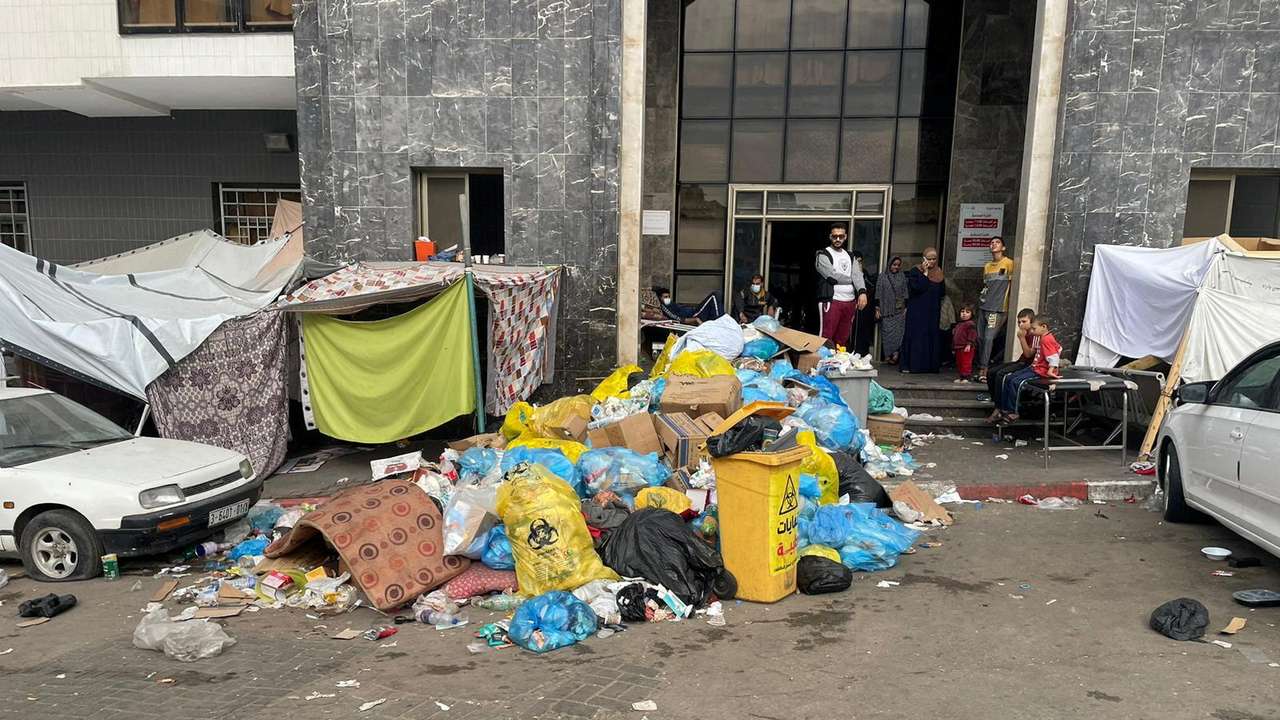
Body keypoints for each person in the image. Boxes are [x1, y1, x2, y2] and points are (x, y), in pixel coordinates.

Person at [996, 318, 1062, 423]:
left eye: (1034, 329)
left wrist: (1050, 371)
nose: (1032, 331)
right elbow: (1059, 348)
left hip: (1041, 371)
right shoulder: (1043, 338)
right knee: (1009, 378)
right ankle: (1005, 408)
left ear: (1043, 327)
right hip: (1035, 367)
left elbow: (1054, 356)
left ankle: (1013, 411)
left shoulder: (1046, 339)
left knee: (1016, 382)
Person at [814, 223, 867, 348]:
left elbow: (858, 275)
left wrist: (862, 291)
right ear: (830, 237)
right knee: (826, 338)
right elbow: (832, 276)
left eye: (841, 236)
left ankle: (838, 365)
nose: (838, 239)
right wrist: (852, 280)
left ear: (845, 237)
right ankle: (824, 364)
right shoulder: (822, 254)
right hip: (832, 300)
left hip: (849, 301)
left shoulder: (850, 255)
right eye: (835, 236)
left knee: (843, 338)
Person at [899, 247, 945, 373]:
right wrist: (925, 273)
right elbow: (917, 288)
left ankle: (929, 366)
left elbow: (942, 292)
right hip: (917, 311)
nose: (932, 262)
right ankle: (912, 365)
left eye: (934, 259)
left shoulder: (939, 272)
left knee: (930, 336)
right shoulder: (915, 271)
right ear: (923, 258)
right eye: (929, 259)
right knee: (916, 336)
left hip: (932, 311)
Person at [987, 308, 1038, 422]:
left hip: (1027, 364)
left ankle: (1000, 408)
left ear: (1031, 321)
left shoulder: (1035, 333)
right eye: (1019, 322)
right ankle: (996, 402)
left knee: (1001, 374)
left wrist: (1021, 338)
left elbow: (1029, 354)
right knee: (991, 372)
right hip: (1021, 361)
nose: (1021, 324)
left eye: (1024, 322)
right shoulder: (1025, 332)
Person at [976, 237, 1016, 382]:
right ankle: (983, 365)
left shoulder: (1009, 263)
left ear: (1003, 248)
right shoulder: (987, 266)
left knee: (988, 338)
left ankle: (984, 370)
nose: (994, 244)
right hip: (983, 306)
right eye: (992, 243)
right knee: (980, 338)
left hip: (997, 309)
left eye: (997, 242)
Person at [875, 256, 907, 364]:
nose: (896, 267)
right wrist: (877, 309)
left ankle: (896, 354)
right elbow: (878, 293)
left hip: (899, 311)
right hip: (886, 311)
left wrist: (905, 308)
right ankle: (888, 354)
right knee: (887, 334)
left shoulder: (902, 276)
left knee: (899, 335)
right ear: (889, 264)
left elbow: (905, 293)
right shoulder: (882, 277)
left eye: (898, 265)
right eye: (894, 265)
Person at [654, 286, 723, 325]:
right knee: (715, 295)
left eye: (668, 296)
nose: (668, 298)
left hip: (696, 311)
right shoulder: (665, 307)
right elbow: (677, 318)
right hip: (695, 315)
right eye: (665, 297)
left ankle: (719, 323)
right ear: (660, 298)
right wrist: (696, 320)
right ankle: (720, 322)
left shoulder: (670, 304)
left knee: (714, 300)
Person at [952, 303, 978, 383]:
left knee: (966, 362)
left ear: (971, 314)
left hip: (966, 347)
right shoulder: (959, 325)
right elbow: (955, 336)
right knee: (959, 362)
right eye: (962, 311)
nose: (964, 314)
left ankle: (966, 377)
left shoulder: (970, 324)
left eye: (967, 312)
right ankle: (961, 376)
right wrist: (953, 347)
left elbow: (972, 335)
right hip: (958, 347)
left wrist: (969, 344)